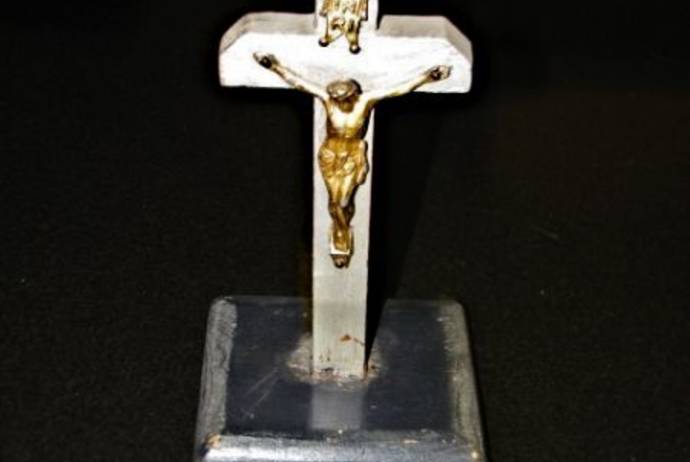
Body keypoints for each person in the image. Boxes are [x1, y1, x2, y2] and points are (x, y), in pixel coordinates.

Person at [254, 52, 451, 268]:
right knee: (333, 201)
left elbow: (397, 89)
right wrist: (274, 67)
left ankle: (342, 232)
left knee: (343, 201)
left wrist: (427, 77)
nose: (340, 103)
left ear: (353, 95)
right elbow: (300, 83)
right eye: (337, 99)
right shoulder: (329, 101)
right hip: (330, 154)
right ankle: (341, 228)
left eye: (344, 99)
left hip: (352, 155)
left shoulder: (365, 102)